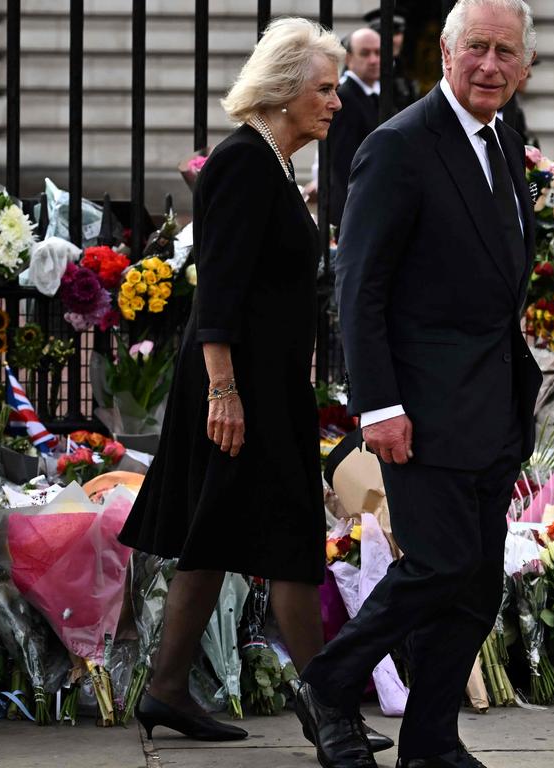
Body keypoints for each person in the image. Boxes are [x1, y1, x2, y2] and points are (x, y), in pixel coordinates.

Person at [117, 19, 391, 753]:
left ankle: (168, 687)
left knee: (220, 538)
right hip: (239, 393)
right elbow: (221, 291)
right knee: (290, 541)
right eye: (325, 89)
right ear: (282, 90)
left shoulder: (269, 164)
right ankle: (329, 706)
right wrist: (223, 390)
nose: (337, 103)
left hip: (264, 388)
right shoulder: (242, 163)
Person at [295, 2, 542, 767]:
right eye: (477, 48)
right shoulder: (398, 146)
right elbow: (359, 289)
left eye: (505, 51)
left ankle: (431, 739)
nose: (490, 65)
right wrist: (380, 406)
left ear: (524, 63)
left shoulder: (506, 137)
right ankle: (329, 684)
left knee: (474, 587)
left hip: (492, 406)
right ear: (444, 50)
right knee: (438, 565)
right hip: (421, 409)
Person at [327, 27, 381, 231]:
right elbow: (343, 162)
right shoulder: (345, 97)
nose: (374, 59)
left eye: (378, 52)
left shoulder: (378, 95)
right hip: (354, 209)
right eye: (365, 53)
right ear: (349, 58)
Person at [364, 6, 420, 112]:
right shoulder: (361, 69)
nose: (392, 40)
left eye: (397, 33)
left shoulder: (404, 69)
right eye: (384, 33)